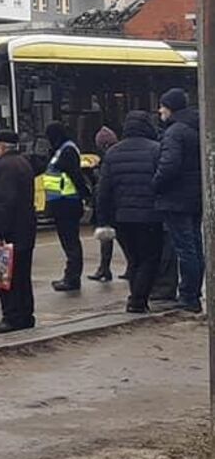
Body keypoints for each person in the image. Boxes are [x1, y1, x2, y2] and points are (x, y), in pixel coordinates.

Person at [96, 111, 162, 313]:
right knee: (150, 258)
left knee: (133, 259)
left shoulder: (113, 153)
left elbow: (103, 190)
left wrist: (103, 219)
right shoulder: (156, 150)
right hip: (150, 215)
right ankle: (138, 300)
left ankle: (136, 297)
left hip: (122, 217)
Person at [154, 87, 203, 313]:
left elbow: (169, 166)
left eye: (162, 106)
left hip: (176, 198)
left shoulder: (175, 132)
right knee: (194, 245)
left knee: (185, 248)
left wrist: (155, 185)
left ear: (171, 108)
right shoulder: (196, 127)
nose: (159, 110)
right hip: (194, 196)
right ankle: (193, 292)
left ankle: (188, 296)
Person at [0, 130, 37, 333]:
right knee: (22, 275)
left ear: (3, 147)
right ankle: (25, 315)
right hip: (25, 231)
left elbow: (3, 203)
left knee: (7, 277)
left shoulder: (5, 167)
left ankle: (11, 317)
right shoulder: (22, 163)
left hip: (9, 234)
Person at [43, 121, 91, 291]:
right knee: (68, 242)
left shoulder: (67, 150)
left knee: (71, 242)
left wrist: (85, 196)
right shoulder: (60, 149)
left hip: (68, 202)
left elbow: (75, 176)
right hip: (61, 203)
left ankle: (72, 278)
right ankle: (70, 276)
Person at [88, 125, 125, 283]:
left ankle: (104, 269)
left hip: (111, 206)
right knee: (122, 238)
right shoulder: (120, 154)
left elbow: (104, 187)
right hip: (121, 205)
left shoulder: (109, 158)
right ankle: (112, 268)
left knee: (107, 238)